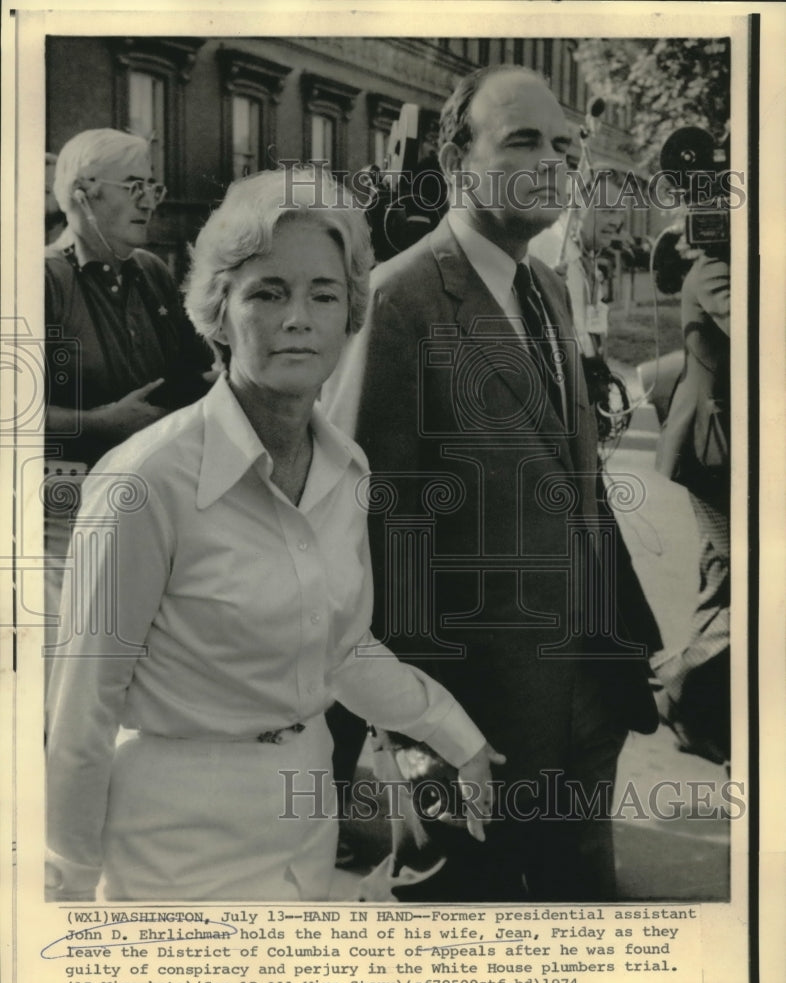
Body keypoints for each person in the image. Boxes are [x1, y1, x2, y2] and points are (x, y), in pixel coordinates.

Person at [45, 166, 502, 903]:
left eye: (324, 294)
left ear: (352, 314)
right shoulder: (146, 483)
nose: (299, 318)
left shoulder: (345, 469)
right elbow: (81, 714)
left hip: (304, 825)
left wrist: (458, 737)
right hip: (173, 853)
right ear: (218, 312)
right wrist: (61, 899)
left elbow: (342, 647)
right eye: (267, 292)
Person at [323, 65, 658, 902]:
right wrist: (415, 732)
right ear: (455, 159)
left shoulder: (544, 285)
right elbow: (365, 537)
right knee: (463, 927)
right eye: (522, 141)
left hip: (588, 688)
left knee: (583, 924)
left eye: (565, 146)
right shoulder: (397, 305)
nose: (554, 162)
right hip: (473, 722)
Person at [44, 129, 212, 642]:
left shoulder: (152, 272)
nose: (149, 202)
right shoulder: (42, 279)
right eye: (134, 185)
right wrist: (100, 423)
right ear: (82, 191)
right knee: (85, 655)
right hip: (64, 516)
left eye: (153, 188)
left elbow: (194, 374)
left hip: (152, 505)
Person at [654, 245, 730, 766]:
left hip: (720, 451)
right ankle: (681, 689)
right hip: (714, 451)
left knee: (721, 577)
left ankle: (694, 705)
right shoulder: (715, 269)